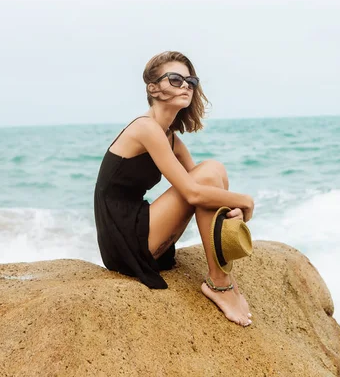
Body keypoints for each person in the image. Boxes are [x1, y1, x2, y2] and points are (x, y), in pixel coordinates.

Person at [94, 51, 255, 327]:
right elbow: (194, 193)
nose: (186, 86)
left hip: (140, 231)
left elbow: (207, 188)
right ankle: (219, 284)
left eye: (190, 81)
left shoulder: (171, 139)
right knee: (208, 173)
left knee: (214, 170)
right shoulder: (145, 128)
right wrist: (246, 201)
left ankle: (221, 278)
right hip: (123, 239)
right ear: (153, 88)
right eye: (176, 79)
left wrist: (233, 209)